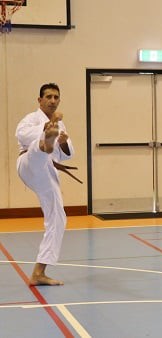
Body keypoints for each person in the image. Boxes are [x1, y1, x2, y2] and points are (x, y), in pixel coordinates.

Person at [15, 83, 74, 285]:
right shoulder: (31, 119)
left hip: (45, 172)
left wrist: (63, 142)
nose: (52, 100)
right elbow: (21, 135)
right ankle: (44, 141)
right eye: (48, 97)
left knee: (58, 217)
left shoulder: (61, 126)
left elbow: (67, 155)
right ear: (39, 100)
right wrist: (45, 128)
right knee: (38, 149)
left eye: (56, 97)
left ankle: (39, 272)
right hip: (28, 163)